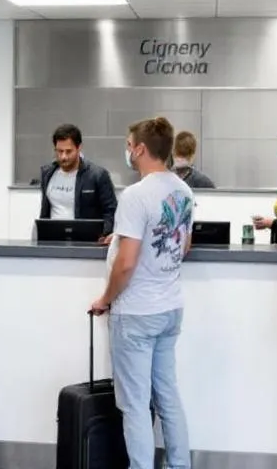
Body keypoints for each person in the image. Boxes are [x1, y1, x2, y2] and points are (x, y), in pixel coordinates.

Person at [89, 117, 193, 469]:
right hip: (170, 306)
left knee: (134, 403)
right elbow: (185, 245)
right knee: (167, 396)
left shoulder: (135, 195)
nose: (128, 150)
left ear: (141, 149)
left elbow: (126, 263)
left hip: (136, 312)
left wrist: (105, 299)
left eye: (129, 143)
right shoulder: (183, 190)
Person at [38, 124, 118, 230]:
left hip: (86, 241)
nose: (63, 157)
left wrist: (104, 233)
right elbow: (45, 211)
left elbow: (111, 211)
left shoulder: (97, 175)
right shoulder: (47, 173)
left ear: (79, 148)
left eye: (68, 151)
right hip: (54, 239)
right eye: (59, 151)